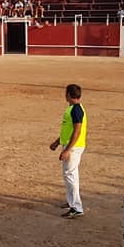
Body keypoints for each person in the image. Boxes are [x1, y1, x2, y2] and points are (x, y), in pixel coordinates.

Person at [49, 84, 87, 219]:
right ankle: (72, 202)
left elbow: (77, 131)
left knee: (70, 176)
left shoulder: (76, 110)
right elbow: (69, 130)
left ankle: (76, 207)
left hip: (74, 148)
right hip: (71, 145)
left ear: (69, 95)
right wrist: (57, 142)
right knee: (71, 175)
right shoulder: (74, 109)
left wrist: (68, 150)